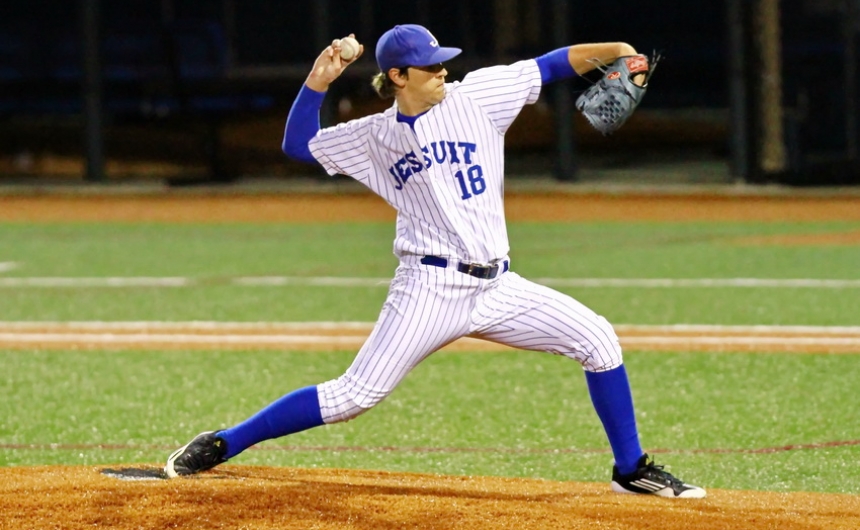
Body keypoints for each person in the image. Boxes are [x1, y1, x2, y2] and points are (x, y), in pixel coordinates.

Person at [165, 24, 706, 499]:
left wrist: (617, 48)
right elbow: (299, 146)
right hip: (428, 287)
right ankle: (223, 442)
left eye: (442, 60)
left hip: (498, 286)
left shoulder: (479, 97)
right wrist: (318, 81)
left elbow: (551, 64)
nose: (442, 70)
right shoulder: (375, 136)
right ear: (398, 76)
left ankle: (630, 469)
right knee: (354, 395)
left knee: (598, 339)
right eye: (429, 64)